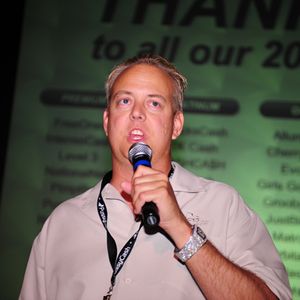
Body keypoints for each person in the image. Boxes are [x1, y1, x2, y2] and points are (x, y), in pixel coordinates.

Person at [19, 55, 291, 299]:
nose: (137, 112)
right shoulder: (63, 222)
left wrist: (182, 230)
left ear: (176, 125)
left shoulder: (223, 205)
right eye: (124, 101)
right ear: (106, 122)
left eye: (154, 103)